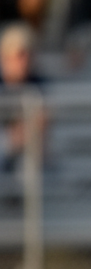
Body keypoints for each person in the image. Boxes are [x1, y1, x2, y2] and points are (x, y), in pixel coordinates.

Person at [0, 23, 46, 172]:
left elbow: (43, 122)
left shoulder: (39, 85)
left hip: (32, 158)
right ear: (5, 56)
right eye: (20, 54)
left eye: (29, 54)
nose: (25, 61)